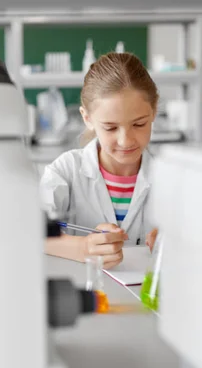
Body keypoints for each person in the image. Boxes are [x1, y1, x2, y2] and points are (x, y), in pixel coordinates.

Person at [41, 52, 158, 269]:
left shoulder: (170, 175)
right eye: (111, 128)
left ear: (154, 111)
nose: (125, 140)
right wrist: (82, 248)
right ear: (88, 119)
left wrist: (176, 242)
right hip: (83, 295)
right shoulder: (66, 171)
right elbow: (29, 230)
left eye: (139, 124)